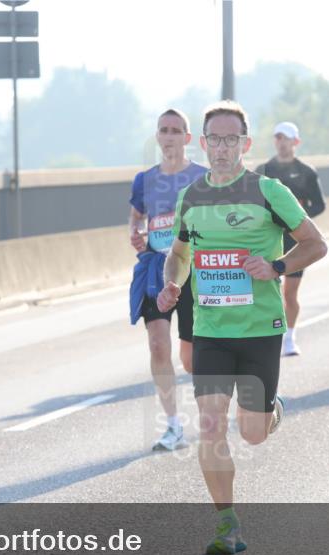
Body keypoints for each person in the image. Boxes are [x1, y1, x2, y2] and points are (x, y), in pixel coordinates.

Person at [157, 101, 328, 554]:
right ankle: (226, 524)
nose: (223, 147)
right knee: (211, 424)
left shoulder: (269, 192)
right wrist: (172, 283)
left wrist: (276, 266)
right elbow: (178, 253)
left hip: (259, 329)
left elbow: (316, 244)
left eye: (232, 138)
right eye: (215, 138)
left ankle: (271, 410)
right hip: (212, 328)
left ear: (245, 144)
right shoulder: (190, 196)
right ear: (204, 142)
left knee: (251, 432)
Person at [129, 109, 207, 450]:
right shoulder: (144, 180)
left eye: (177, 130)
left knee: (191, 359)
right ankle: (174, 426)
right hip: (154, 270)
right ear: (157, 137)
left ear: (188, 138)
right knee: (158, 345)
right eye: (164, 130)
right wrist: (137, 234)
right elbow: (136, 219)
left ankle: (208, 410)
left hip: (192, 273)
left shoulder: (204, 177)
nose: (170, 135)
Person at [256, 121, 327, 356]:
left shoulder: (307, 171)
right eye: (277, 137)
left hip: (296, 241)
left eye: (285, 138)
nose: (281, 142)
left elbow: (319, 204)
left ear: (295, 142)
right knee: (267, 291)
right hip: (269, 239)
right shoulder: (263, 170)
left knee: (289, 293)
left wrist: (298, 217)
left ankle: (289, 337)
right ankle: (266, 336)